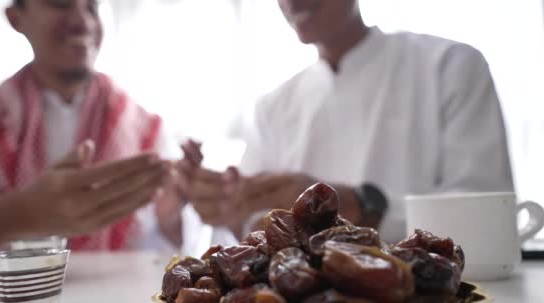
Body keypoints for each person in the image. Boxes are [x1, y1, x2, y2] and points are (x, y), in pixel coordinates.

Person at [189, 0, 514, 243]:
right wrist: (227, 210)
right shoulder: (271, 108)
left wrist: (363, 207)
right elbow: (254, 230)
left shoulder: (448, 67)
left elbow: (488, 218)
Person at [0, 0, 204, 260]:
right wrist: (23, 214)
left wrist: (171, 214)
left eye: (92, 6)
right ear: (16, 18)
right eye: (61, 3)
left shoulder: (147, 129)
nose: (83, 21)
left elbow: (161, 252)